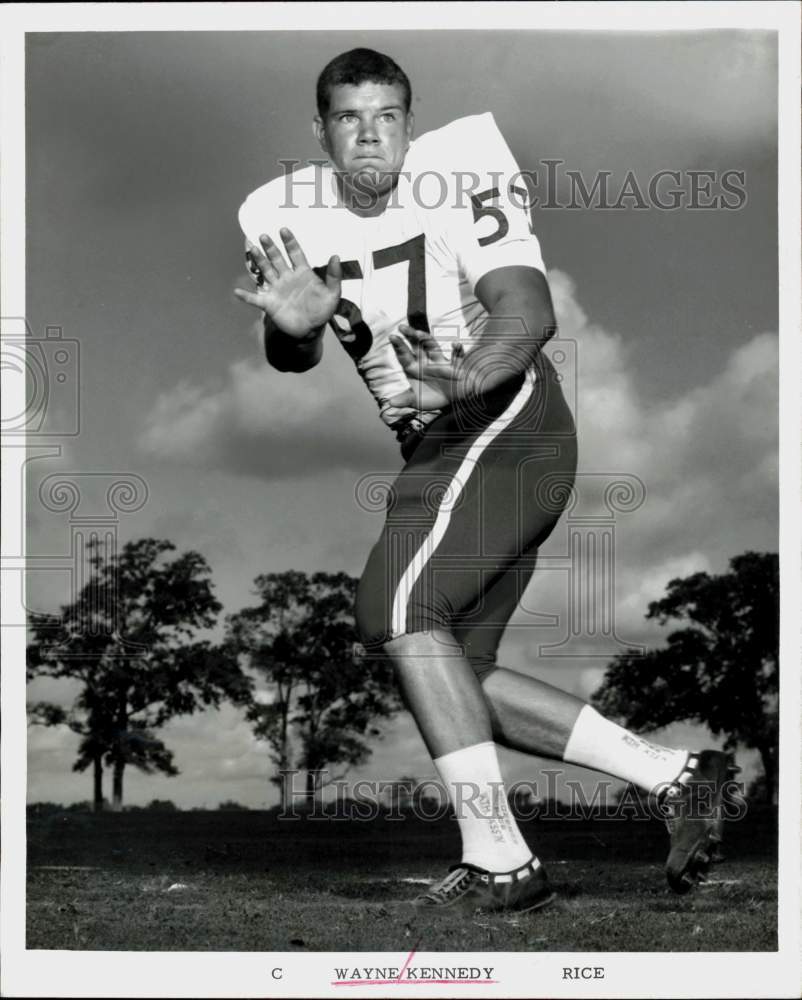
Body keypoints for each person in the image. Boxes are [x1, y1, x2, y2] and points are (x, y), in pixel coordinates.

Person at [236, 47, 735, 913]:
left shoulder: (456, 169)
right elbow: (291, 354)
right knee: (456, 671)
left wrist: (471, 377)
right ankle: (677, 776)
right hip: (435, 443)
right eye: (349, 118)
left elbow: (528, 311)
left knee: (393, 610)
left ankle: (501, 857)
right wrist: (295, 331)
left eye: (387, 116)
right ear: (318, 131)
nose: (370, 136)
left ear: (410, 123)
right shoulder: (278, 212)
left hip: (501, 414)